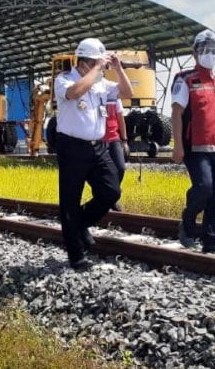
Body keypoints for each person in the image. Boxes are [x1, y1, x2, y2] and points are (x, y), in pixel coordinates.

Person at [54, 37, 133, 270]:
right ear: (85, 62)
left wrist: (118, 69)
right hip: (71, 147)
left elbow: (127, 92)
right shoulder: (64, 79)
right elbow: (74, 93)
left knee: (111, 191)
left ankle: (80, 223)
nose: (103, 68)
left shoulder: (101, 83)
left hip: (97, 146)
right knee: (70, 202)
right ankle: (76, 256)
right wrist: (98, 68)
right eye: (99, 63)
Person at [171, 29, 215, 255]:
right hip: (195, 146)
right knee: (204, 187)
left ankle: (211, 239)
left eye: (213, 50)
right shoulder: (185, 80)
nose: (209, 54)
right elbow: (176, 113)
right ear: (194, 53)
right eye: (204, 50)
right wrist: (178, 145)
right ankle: (188, 219)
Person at [102, 89, 129, 212]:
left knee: (120, 168)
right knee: (102, 172)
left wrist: (124, 140)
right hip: (98, 140)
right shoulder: (93, 95)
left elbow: (120, 118)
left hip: (114, 139)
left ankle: (112, 197)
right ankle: (106, 199)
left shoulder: (115, 97)